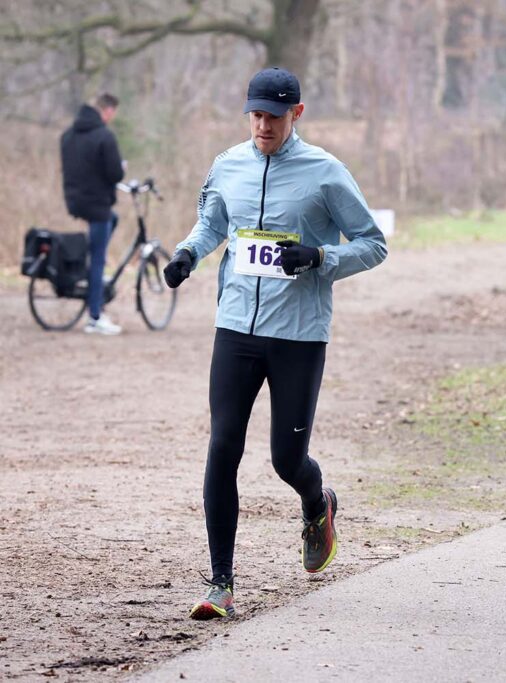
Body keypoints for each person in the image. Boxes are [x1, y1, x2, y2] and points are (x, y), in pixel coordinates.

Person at [162, 67, 387, 620]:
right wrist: (188, 254)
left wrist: (320, 258)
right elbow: (214, 225)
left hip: (299, 334)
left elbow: (373, 243)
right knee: (222, 448)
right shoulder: (228, 165)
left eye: (274, 116)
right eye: (256, 115)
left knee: (287, 459)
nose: (263, 125)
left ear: (297, 115)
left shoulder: (326, 173)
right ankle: (220, 582)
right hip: (236, 326)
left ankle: (318, 501)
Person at [60, 92, 125, 335]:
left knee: (112, 222)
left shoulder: (69, 134)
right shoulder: (104, 136)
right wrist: (121, 168)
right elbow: (115, 174)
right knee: (98, 259)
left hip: (76, 201)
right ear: (108, 111)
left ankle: (92, 267)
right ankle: (94, 317)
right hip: (97, 204)